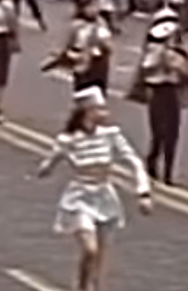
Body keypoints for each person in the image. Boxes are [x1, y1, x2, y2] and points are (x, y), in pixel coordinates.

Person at [35, 86, 152, 291]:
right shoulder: (68, 140)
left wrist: (143, 192)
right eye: (99, 109)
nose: (104, 114)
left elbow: (134, 161)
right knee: (90, 248)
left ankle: (96, 286)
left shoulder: (111, 135)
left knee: (102, 252)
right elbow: (52, 160)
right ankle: (82, 285)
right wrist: (45, 169)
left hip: (105, 195)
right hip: (80, 196)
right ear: (86, 112)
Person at [126, 19, 188, 184]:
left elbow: (185, 74)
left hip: (172, 92)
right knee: (158, 133)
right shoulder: (152, 52)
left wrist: (176, 63)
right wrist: (161, 57)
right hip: (157, 92)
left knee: (173, 133)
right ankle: (152, 161)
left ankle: (169, 172)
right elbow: (146, 69)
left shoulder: (179, 53)